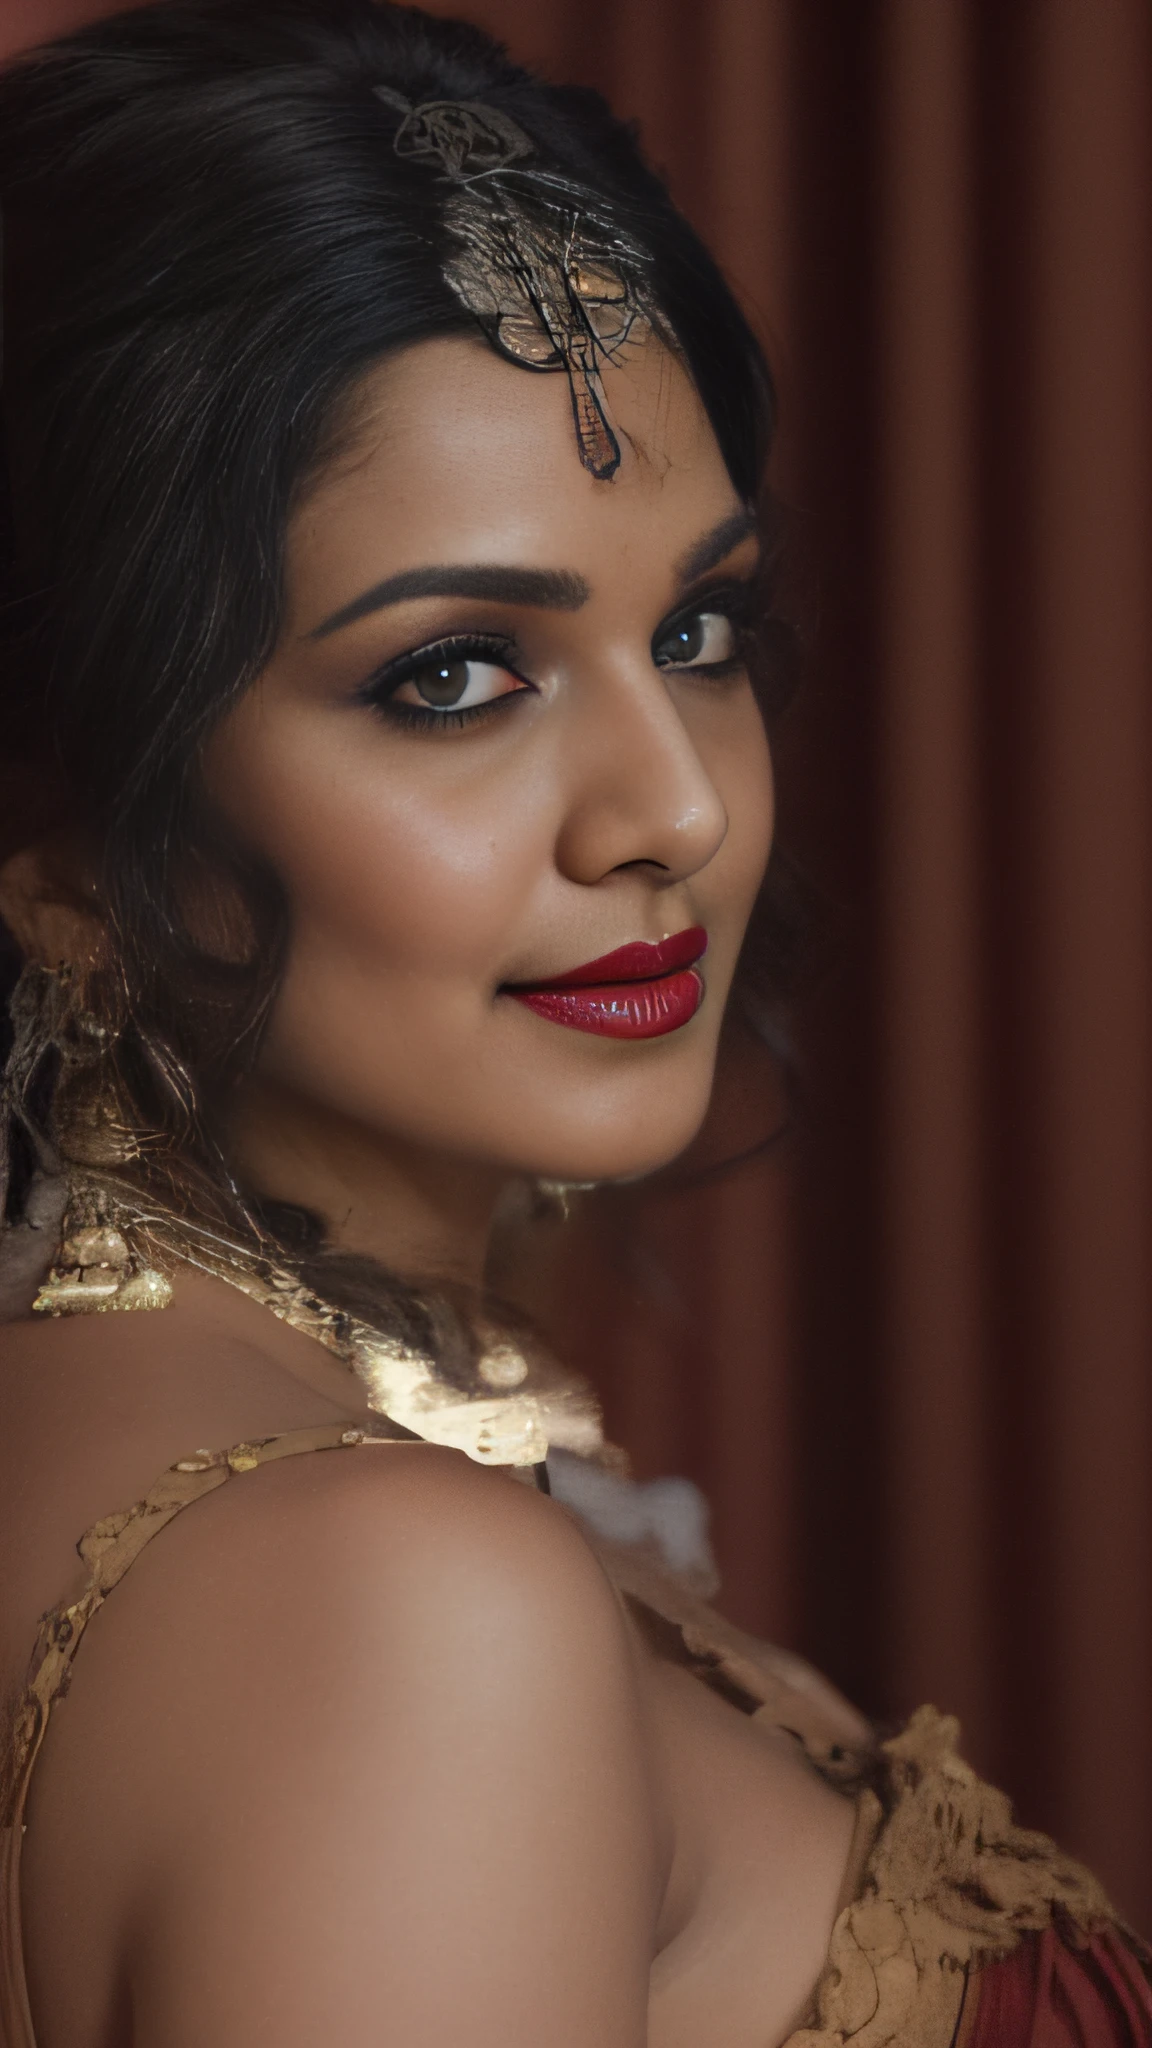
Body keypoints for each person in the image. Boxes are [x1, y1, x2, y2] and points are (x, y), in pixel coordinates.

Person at [0, 4, 1147, 2042]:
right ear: (74, 845)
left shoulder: (270, 1458)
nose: (682, 808)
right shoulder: (394, 1608)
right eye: (456, 675)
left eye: (697, 630)